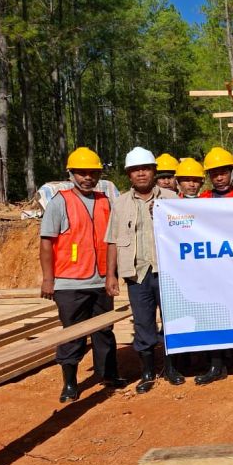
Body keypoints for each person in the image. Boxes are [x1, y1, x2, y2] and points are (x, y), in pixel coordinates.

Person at [40, 147, 125, 402]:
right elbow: (47, 242)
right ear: (71, 174)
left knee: (104, 330)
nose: (87, 177)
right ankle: (70, 382)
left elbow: (112, 241)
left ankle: (108, 374)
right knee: (72, 332)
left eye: (92, 173)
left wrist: (112, 275)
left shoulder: (105, 202)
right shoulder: (60, 202)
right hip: (69, 282)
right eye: (82, 173)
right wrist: (48, 279)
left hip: (101, 279)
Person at [105, 147, 183, 394]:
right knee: (143, 324)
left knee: (173, 321)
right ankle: (148, 371)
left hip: (168, 272)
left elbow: (186, 234)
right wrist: (110, 275)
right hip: (137, 273)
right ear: (129, 174)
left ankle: (172, 368)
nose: (141, 174)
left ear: (153, 171)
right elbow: (113, 240)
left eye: (145, 169)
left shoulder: (171, 200)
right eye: (135, 170)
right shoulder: (120, 204)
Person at [195, 147, 233, 386]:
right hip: (211, 271)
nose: (219, 177)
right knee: (213, 317)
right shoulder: (202, 201)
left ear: (232, 172)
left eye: (224, 172)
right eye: (214, 173)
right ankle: (216, 366)